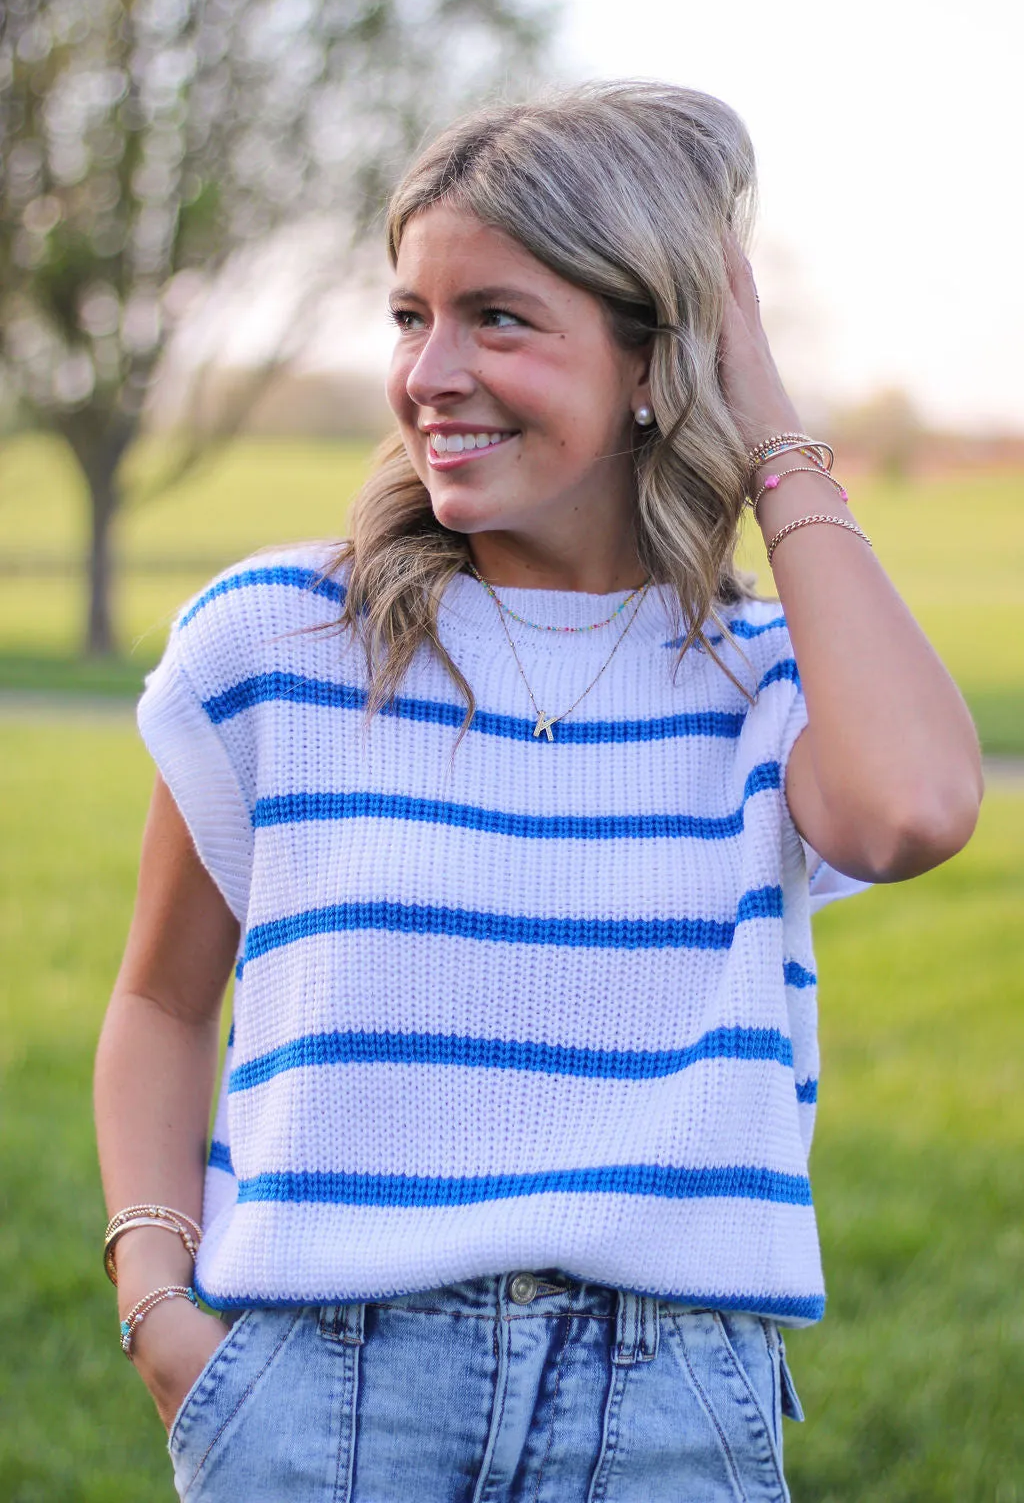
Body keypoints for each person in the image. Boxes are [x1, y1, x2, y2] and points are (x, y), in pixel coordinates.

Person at [94, 81, 982, 1502]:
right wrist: (157, 1297)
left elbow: (917, 811)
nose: (429, 371)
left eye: (497, 318)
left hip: (669, 1411)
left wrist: (766, 420)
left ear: (655, 354)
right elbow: (158, 1000)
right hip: (319, 1402)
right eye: (409, 316)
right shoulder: (275, 641)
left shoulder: (768, 674)